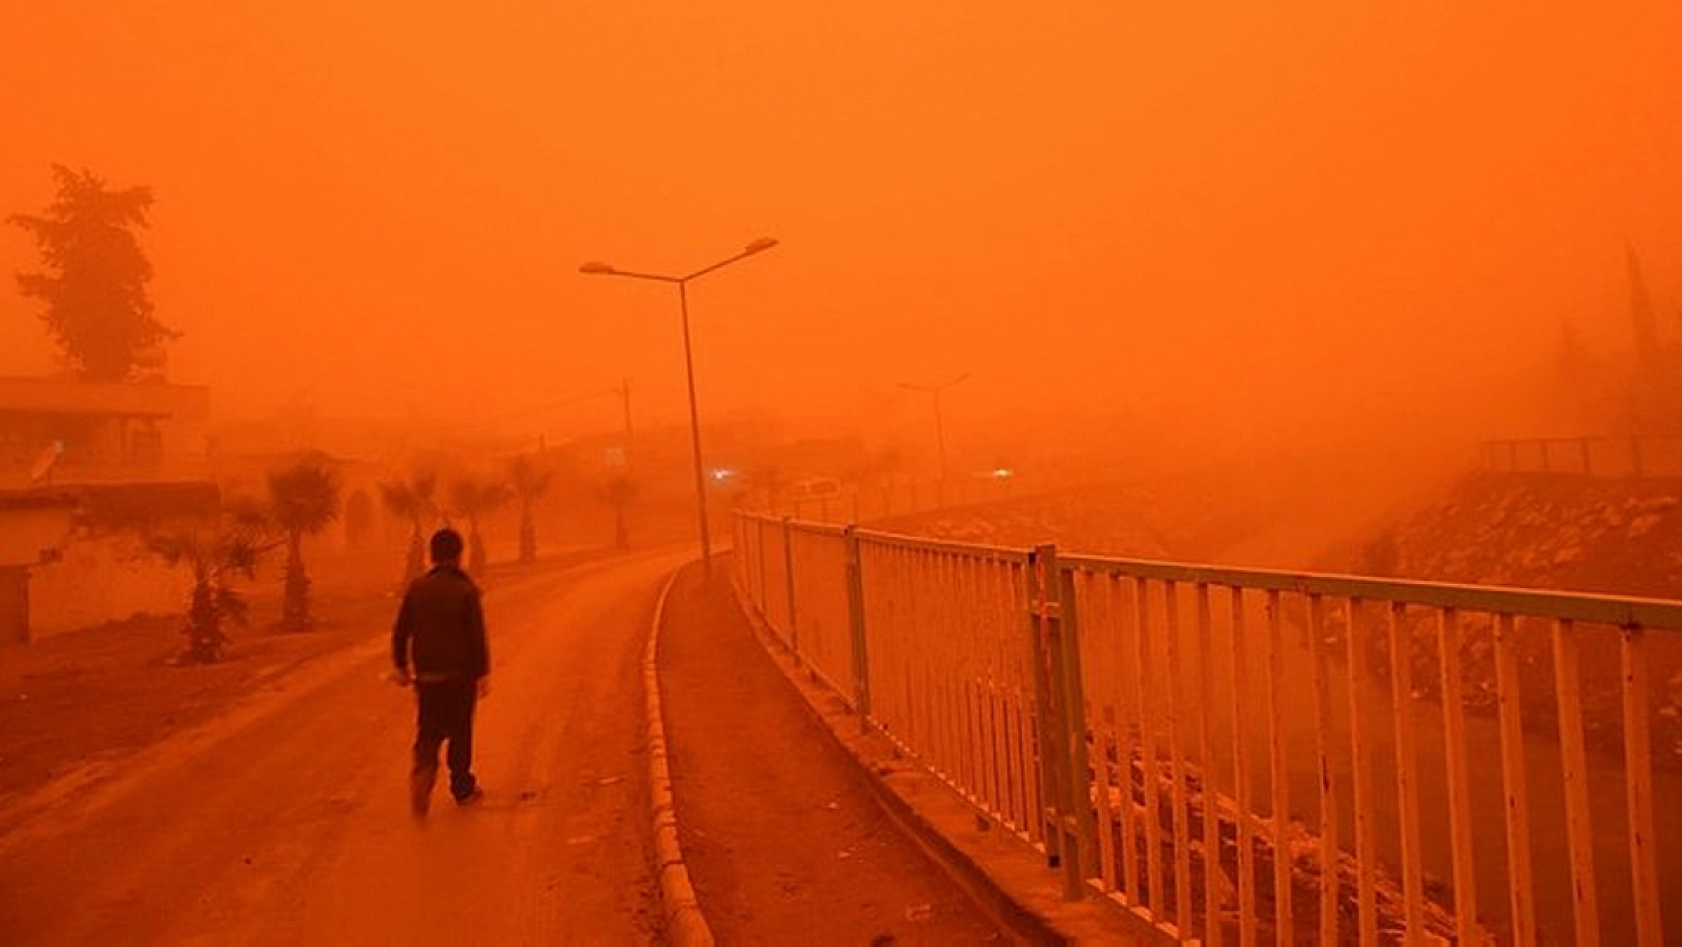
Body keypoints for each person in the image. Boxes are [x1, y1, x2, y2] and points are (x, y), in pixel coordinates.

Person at [391, 527, 490, 815]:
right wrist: (482, 673)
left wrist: (401, 665)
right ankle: (462, 787)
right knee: (460, 731)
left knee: (429, 730)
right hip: (460, 676)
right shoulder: (466, 590)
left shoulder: (417, 588)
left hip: (428, 676)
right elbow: (476, 636)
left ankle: (423, 768)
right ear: (459, 556)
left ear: (431, 556)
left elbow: (400, 631)